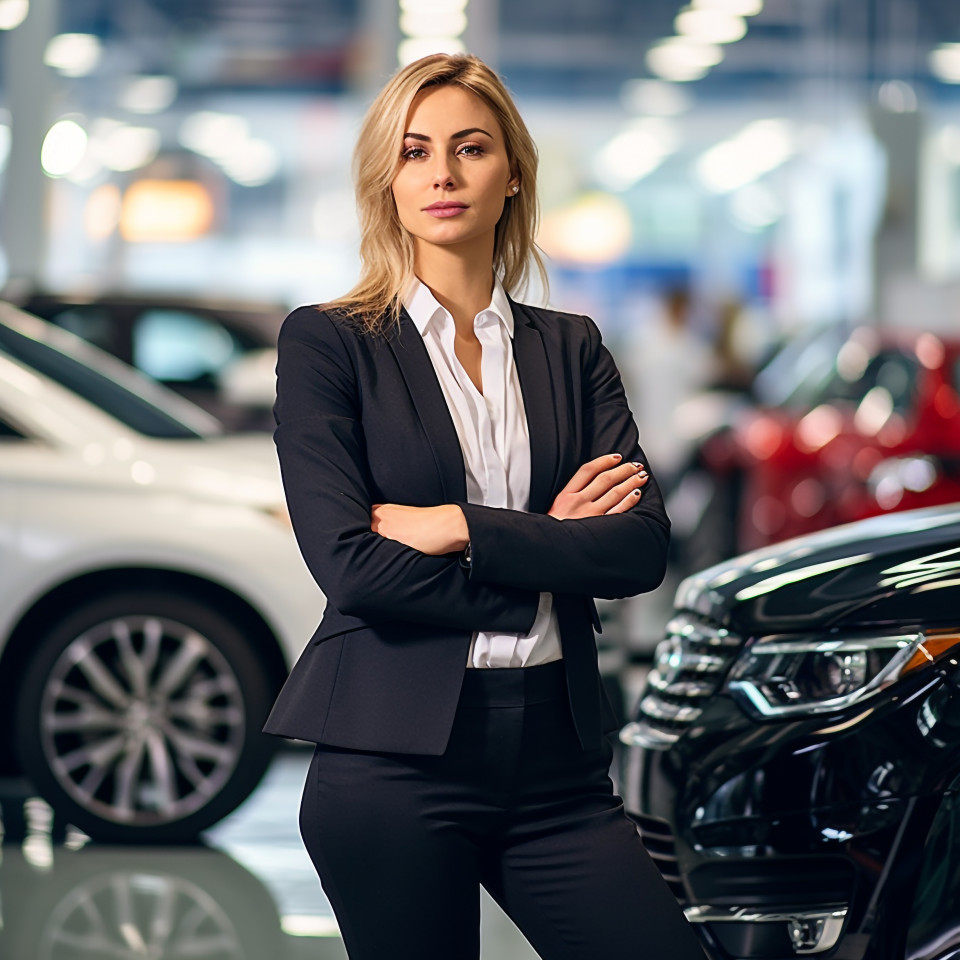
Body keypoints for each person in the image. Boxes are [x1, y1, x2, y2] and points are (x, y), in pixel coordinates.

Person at [264, 52, 707, 960]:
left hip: (559, 764)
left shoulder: (572, 349)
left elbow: (638, 550)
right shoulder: (329, 344)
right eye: (417, 151)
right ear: (387, 180)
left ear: (511, 176)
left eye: (471, 148)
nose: (443, 173)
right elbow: (352, 567)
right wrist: (545, 558)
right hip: (392, 759)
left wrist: (459, 528)